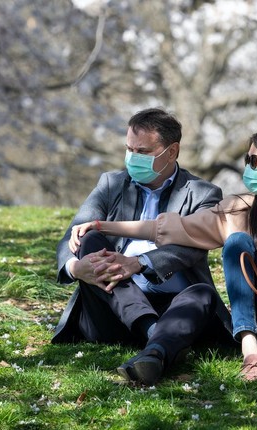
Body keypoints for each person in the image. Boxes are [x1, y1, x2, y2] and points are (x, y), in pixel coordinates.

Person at [69, 127, 257, 381]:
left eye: (256, 161)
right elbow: (170, 227)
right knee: (236, 242)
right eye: (247, 160)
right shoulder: (239, 207)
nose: (248, 168)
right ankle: (251, 350)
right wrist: (101, 225)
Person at [52, 107, 234, 386]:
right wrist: (76, 268)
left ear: (171, 152)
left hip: (173, 306)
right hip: (112, 305)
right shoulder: (110, 183)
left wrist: (138, 263)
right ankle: (156, 336)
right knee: (90, 238)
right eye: (129, 149)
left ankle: (154, 353)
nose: (132, 158)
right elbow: (72, 236)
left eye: (143, 151)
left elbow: (191, 249)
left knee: (202, 293)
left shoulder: (203, 193)